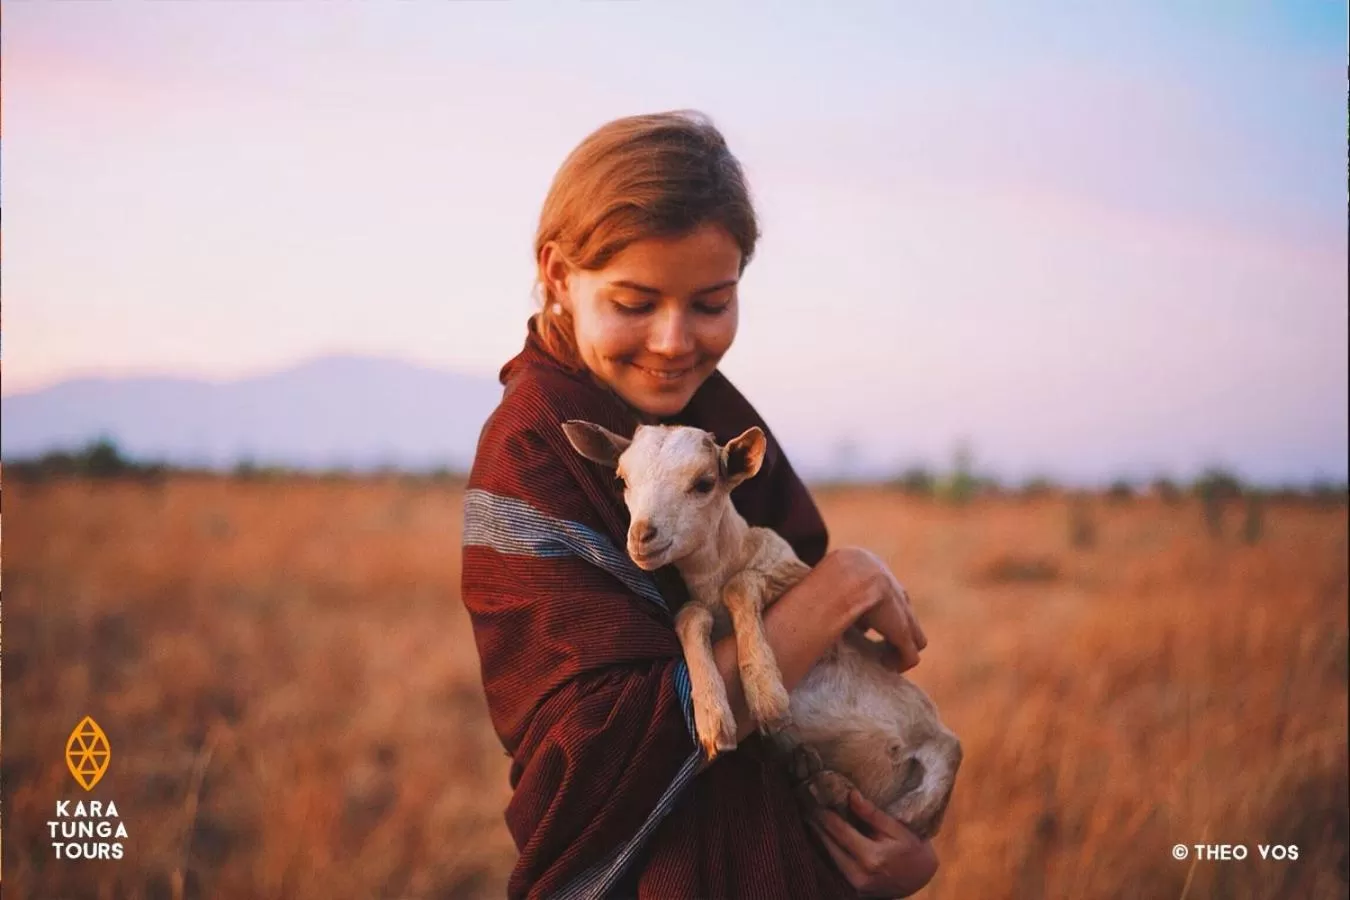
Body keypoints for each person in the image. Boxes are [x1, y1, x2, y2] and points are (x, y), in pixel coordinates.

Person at [461, 110, 939, 899]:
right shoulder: (535, 449)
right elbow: (591, 754)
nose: (675, 341)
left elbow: (816, 701)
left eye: (711, 304)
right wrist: (841, 586)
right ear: (557, 274)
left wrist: (906, 843)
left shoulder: (705, 414)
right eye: (634, 302)